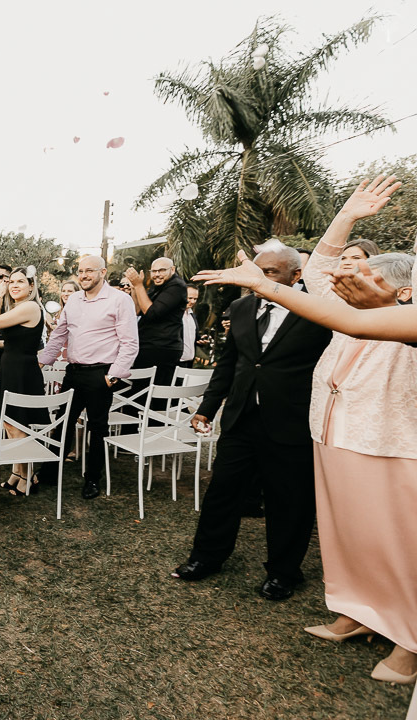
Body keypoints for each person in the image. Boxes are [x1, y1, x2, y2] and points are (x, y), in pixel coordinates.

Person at [271, 176, 417, 684]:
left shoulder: (403, 321)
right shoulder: (342, 314)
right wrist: (348, 215)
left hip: (388, 446)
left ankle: (408, 643)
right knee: (346, 535)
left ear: (404, 289)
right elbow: (317, 270)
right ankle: (356, 612)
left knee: (398, 545)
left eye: (366, 275)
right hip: (332, 435)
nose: (349, 280)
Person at [172, 243, 332, 601]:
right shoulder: (242, 307)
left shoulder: (316, 311)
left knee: (288, 501)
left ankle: (283, 572)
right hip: (242, 417)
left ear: (297, 275)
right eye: (258, 271)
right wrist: (207, 409)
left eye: (271, 272)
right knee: (222, 492)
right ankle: (206, 558)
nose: (260, 278)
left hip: (292, 420)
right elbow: (230, 363)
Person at [38, 255, 138, 500]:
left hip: (101, 374)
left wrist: (112, 377)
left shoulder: (120, 300)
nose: (83, 275)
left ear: (102, 272)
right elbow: (59, 334)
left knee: (97, 428)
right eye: (80, 271)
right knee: (63, 423)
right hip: (73, 372)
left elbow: (130, 343)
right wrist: (42, 361)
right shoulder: (73, 300)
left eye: (89, 271)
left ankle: (93, 479)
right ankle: (51, 472)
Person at [0, 266, 48, 495]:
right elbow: (22, 341)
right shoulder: (20, 308)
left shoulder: (31, 306)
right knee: (9, 423)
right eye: (11, 281)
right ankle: (16, 472)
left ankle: (27, 475)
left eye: (19, 282)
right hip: (11, 367)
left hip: (22, 371)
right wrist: (1, 344)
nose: (13, 285)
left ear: (31, 286)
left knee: (17, 424)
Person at [125, 257, 187, 386]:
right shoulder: (158, 286)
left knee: (152, 394)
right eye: (154, 271)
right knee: (138, 392)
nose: (157, 275)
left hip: (162, 348)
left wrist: (139, 285)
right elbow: (138, 311)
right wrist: (134, 288)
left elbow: (152, 312)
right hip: (148, 347)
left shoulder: (176, 286)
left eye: (162, 270)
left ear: (173, 270)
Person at [180, 286, 200, 368]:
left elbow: (192, 337)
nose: (192, 301)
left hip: (189, 362)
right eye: (190, 298)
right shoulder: (174, 315)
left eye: (195, 299)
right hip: (175, 361)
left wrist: (200, 340)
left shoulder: (192, 315)